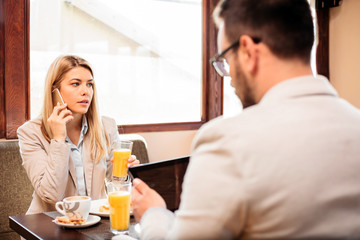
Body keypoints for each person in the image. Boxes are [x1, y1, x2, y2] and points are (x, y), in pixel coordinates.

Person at [131, 0, 360, 239]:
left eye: (227, 61)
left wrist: (153, 216)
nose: (229, 81)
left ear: (248, 51)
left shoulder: (227, 141)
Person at [17, 55, 139, 215]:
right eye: (75, 84)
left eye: (90, 84)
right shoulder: (30, 132)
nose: (85, 91)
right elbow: (51, 195)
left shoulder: (106, 126)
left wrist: (127, 174)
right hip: (48, 224)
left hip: (93, 221)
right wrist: (58, 140)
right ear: (55, 91)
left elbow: (115, 185)